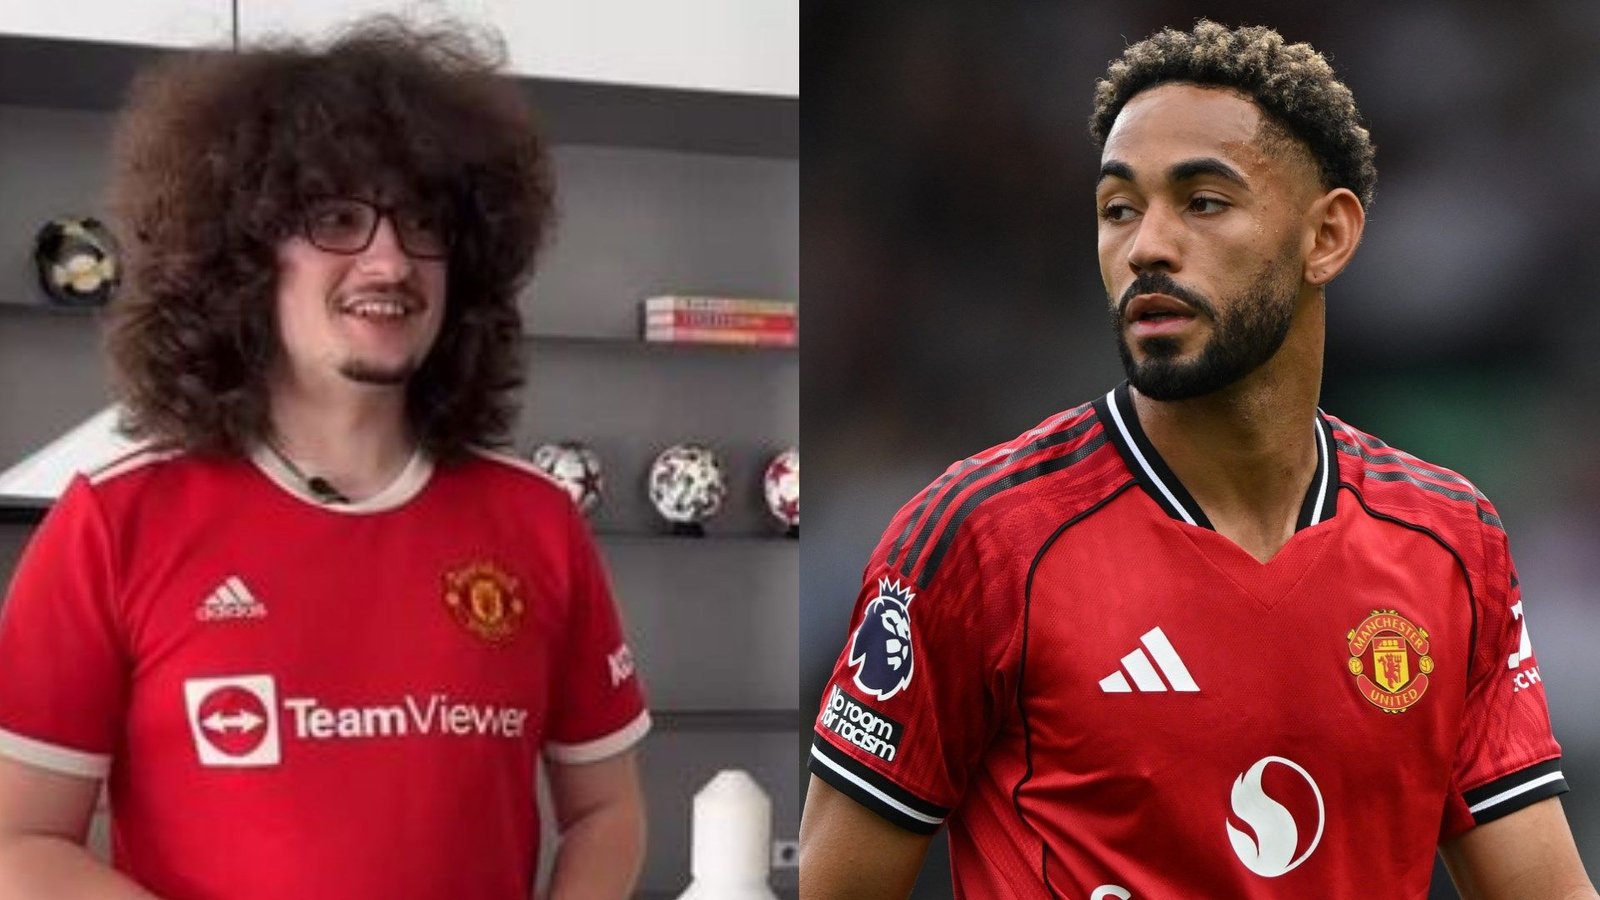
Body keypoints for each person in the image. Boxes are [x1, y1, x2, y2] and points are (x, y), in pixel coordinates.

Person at [800, 20, 1594, 900]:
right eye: (1118, 209)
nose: (1146, 246)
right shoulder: (981, 538)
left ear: (1326, 236)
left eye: (1204, 201)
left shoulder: (1450, 539)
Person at [0, 18, 649, 900]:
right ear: (242, 256)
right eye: (336, 219)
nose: (390, 259)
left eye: (423, 222)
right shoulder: (114, 523)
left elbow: (608, 811)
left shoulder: (536, 521)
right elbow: (20, 841)